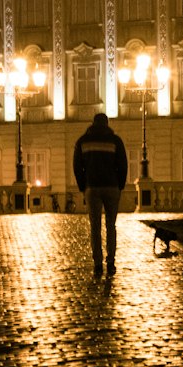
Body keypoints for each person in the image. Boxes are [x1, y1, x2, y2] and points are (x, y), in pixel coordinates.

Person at [73, 112, 128, 277]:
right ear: (107, 124)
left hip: (92, 187)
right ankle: (110, 262)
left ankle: (97, 263)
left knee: (95, 227)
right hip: (112, 187)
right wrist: (120, 186)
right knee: (111, 226)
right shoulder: (115, 141)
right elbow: (123, 165)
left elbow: (77, 167)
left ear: (93, 123)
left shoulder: (83, 141)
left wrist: (83, 186)